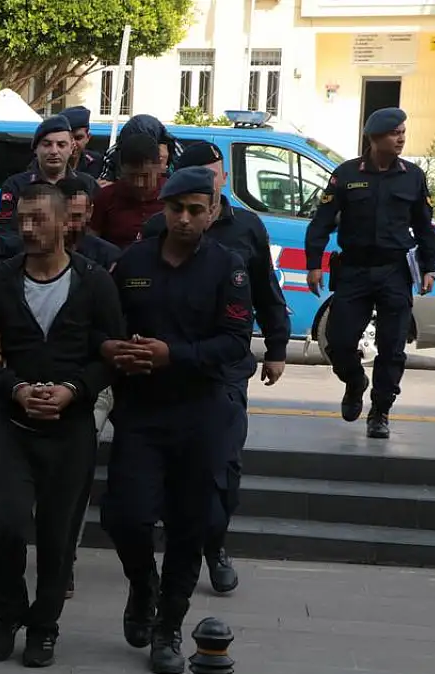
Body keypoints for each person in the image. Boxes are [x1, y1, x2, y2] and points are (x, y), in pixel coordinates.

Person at [99, 167, 253, 674]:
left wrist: (175, 355)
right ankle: (142, 585)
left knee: (190, 525)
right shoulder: (134, 261)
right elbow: (106, 323)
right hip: (141, 412)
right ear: (162, 209)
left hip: (200, 412)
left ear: (211, 213)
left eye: (194, 210)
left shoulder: (228, 266)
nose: (184, 219)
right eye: (175, 209)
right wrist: (112, 348)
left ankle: (168, 627)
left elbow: (234, 343)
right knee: (125, 517)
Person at [0, 182, 124, 668]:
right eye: (22, 219)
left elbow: (111, 356)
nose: (29, 228)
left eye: (39, 219)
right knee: (4, 525)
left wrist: (74, 390)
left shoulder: (94, 282)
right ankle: (9, 611)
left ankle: (44, 625)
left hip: (71, 431)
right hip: (12, 428)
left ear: (64, 222)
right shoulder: (1, 280)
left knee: (58, 539)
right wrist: (15, 388)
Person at [140, 141, 291, 594]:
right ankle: (173, 546)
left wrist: (277, 347)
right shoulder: (158, 228)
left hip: (224, 368)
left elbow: (266, 290)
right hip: (167, 371)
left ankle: (215, 545)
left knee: (221, 465)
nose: (212, 181)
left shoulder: (246, 226)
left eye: (217, 172)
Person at [305, 107, 435, 439]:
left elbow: (425, 226)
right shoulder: (346, 174)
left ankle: (380, 411)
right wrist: (313, 264)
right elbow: (322, 222)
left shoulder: (412, 176)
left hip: (395, 271)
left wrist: (430, 266)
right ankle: (354, 382)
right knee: (338, 342)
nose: (401, 138)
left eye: (403, 132)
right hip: (354, 269)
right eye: (395, 133)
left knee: (392, 347)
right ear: (375, 137)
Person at [53, 176, 122, 600]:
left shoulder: (109, 260)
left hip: (94, 380)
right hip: (44, 376)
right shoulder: (28, 258)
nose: (73, 225)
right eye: (67, 216)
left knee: (73, 468)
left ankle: (64, 558)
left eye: (80, 216)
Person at [0, 114, 99, 255]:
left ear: (72, 148)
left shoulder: (88, 184)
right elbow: (7, 234)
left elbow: (96, 230)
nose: (54, 151)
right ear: (35, 148)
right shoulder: (15, 185)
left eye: (61, 145)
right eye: (47, 144)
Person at [91, 134, 166, 250]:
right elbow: (91, 243)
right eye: (131, 176)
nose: (139, 183)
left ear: (159, 167)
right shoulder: (106, 197)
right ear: (121, 170)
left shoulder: (173, 195)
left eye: (145, 176)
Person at [97, 114, 184, 183]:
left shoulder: (175, 150)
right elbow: (104, 182)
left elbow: (185, 180)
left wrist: (163, 171)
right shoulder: (115, 151)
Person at [62, 106, 104, 178]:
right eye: (68, 138)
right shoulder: (50, 163)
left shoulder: (98, 162)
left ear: (88, 137)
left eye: (78, 138)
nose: (73, 143)